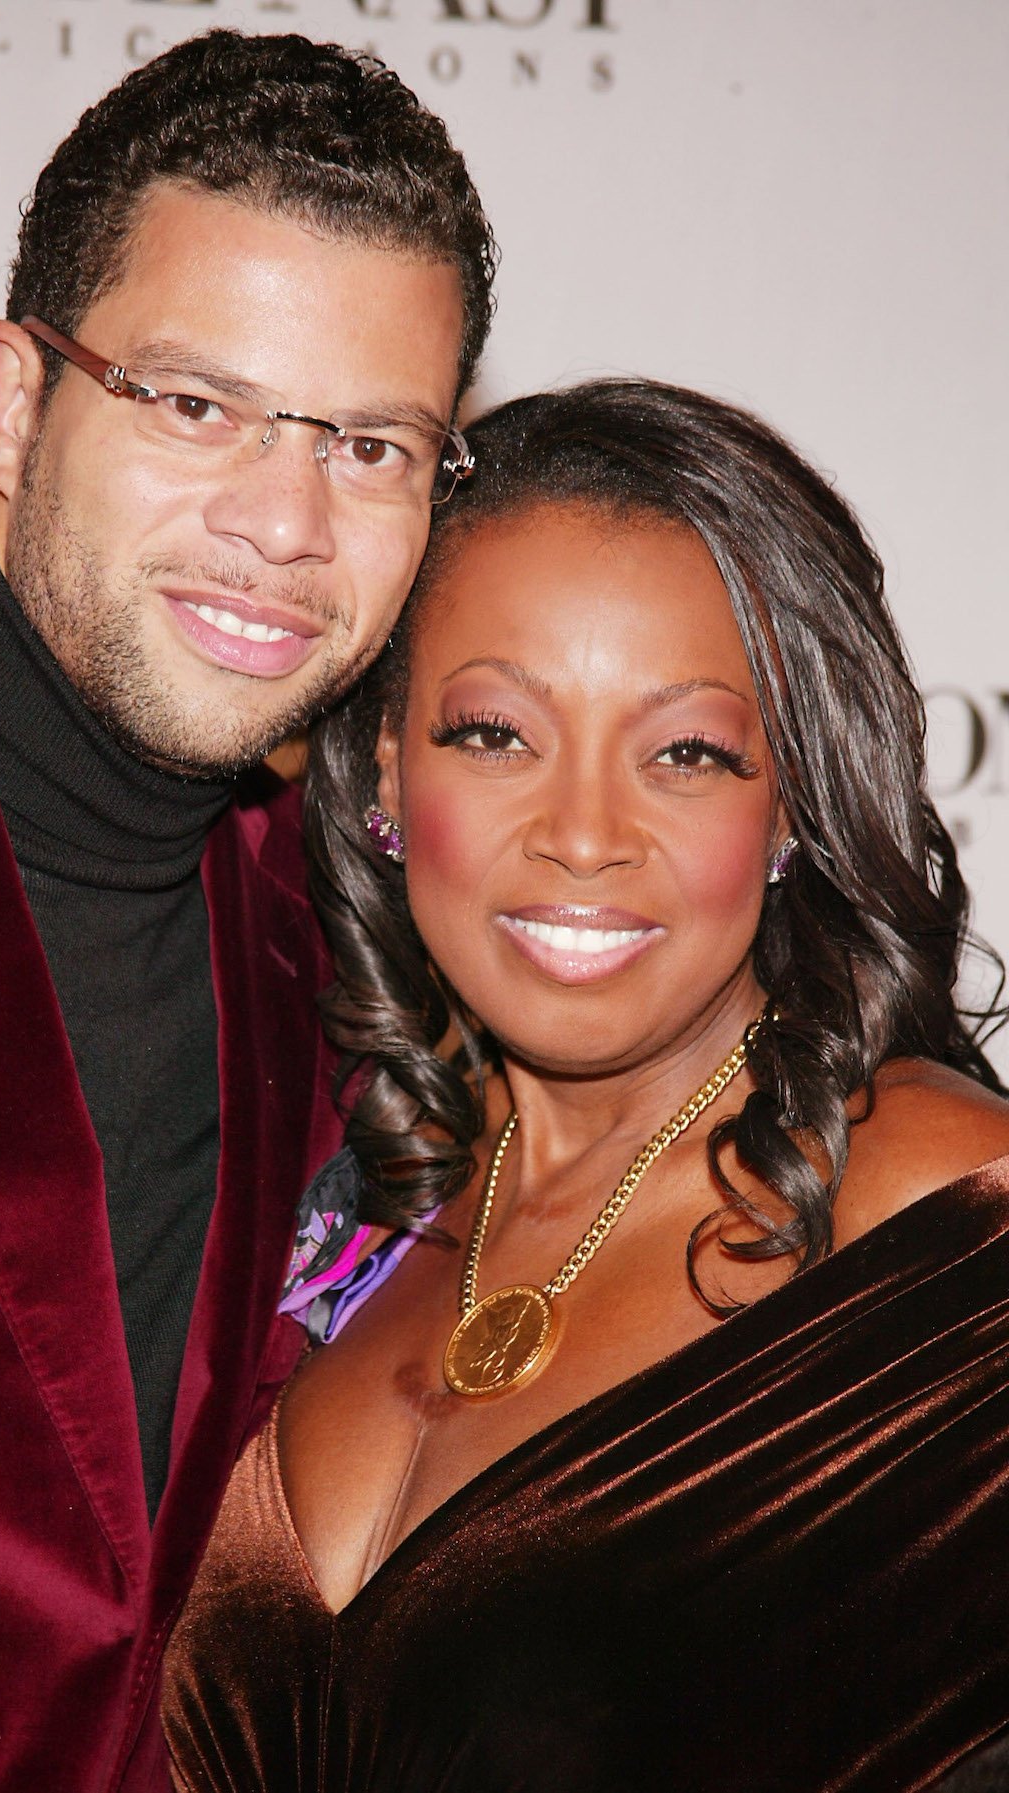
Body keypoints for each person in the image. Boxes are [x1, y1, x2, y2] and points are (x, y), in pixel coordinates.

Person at [0, 28, 495, 1792]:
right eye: (195, 406)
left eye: (369, 444)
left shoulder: (373, 951)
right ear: (10, 406)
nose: (282, 523)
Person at [163, 380, 1009, 1791]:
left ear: (788, 805)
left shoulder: (950, 1221)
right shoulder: (335, 1217)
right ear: (388, 766)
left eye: (686, 752)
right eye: (497, 733)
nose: (583, 834)